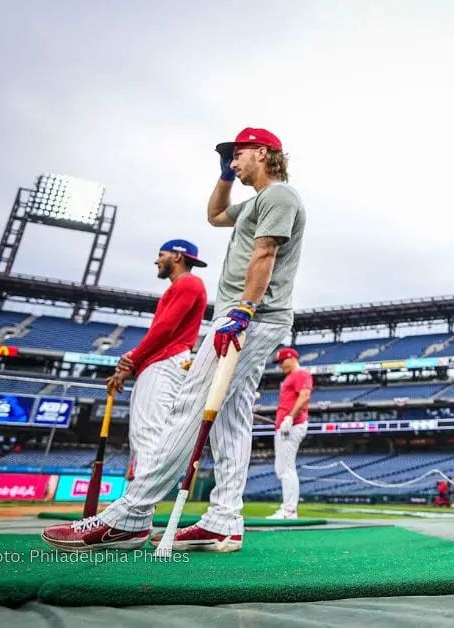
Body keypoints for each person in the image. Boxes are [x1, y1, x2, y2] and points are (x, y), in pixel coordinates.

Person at [42, 127, 307, 553]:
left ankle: (131, 515)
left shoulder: (280, 196)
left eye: (238, 155)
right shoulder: (256, 201)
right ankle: (223, 520)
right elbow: (215, 217)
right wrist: (223, 177)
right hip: (251, 316)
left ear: (263, 153)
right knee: (231, 418)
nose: (233, 162)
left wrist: (244, 309)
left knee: (191, 404)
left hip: (251, 315)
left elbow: (266, 254)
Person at [105, 239, 208, 482]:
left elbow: (165, 329)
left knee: (148, 433)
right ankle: (135, 509)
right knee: (144, 434)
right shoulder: (180, 286)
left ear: (177, 257)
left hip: (166, 361)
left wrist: (132, 359)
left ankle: (137, 514)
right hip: (161, 361)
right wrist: (132, 362)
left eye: (161, 254)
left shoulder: (190, 282)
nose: (156, 260)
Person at [269, 347, 312, 520]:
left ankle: (289, 511)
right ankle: (288, 508)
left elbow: (304, 397)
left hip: (292, 425)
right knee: (282, 468)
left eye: (282, 361)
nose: (281, 365)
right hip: (285, 426)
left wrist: (290, 418)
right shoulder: (290, 377)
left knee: (286, 468)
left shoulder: (300, 374)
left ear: (292, 358)